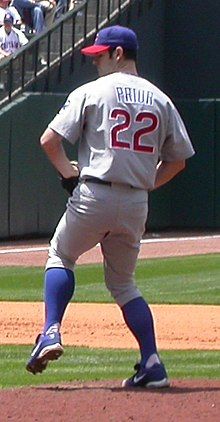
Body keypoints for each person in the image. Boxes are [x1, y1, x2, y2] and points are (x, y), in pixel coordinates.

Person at [26, 25, 195, 388]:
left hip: (94, 192)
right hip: (136, 202)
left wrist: (69, 175)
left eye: (101, 55)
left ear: (118, 54)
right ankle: (152, 363)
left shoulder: (92, 91)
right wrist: (146, 183)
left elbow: (49, 141)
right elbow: (178, 161)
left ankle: (51, 331)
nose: (97, 61)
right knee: (123, 284)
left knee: (60, 255)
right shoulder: (160, 99)